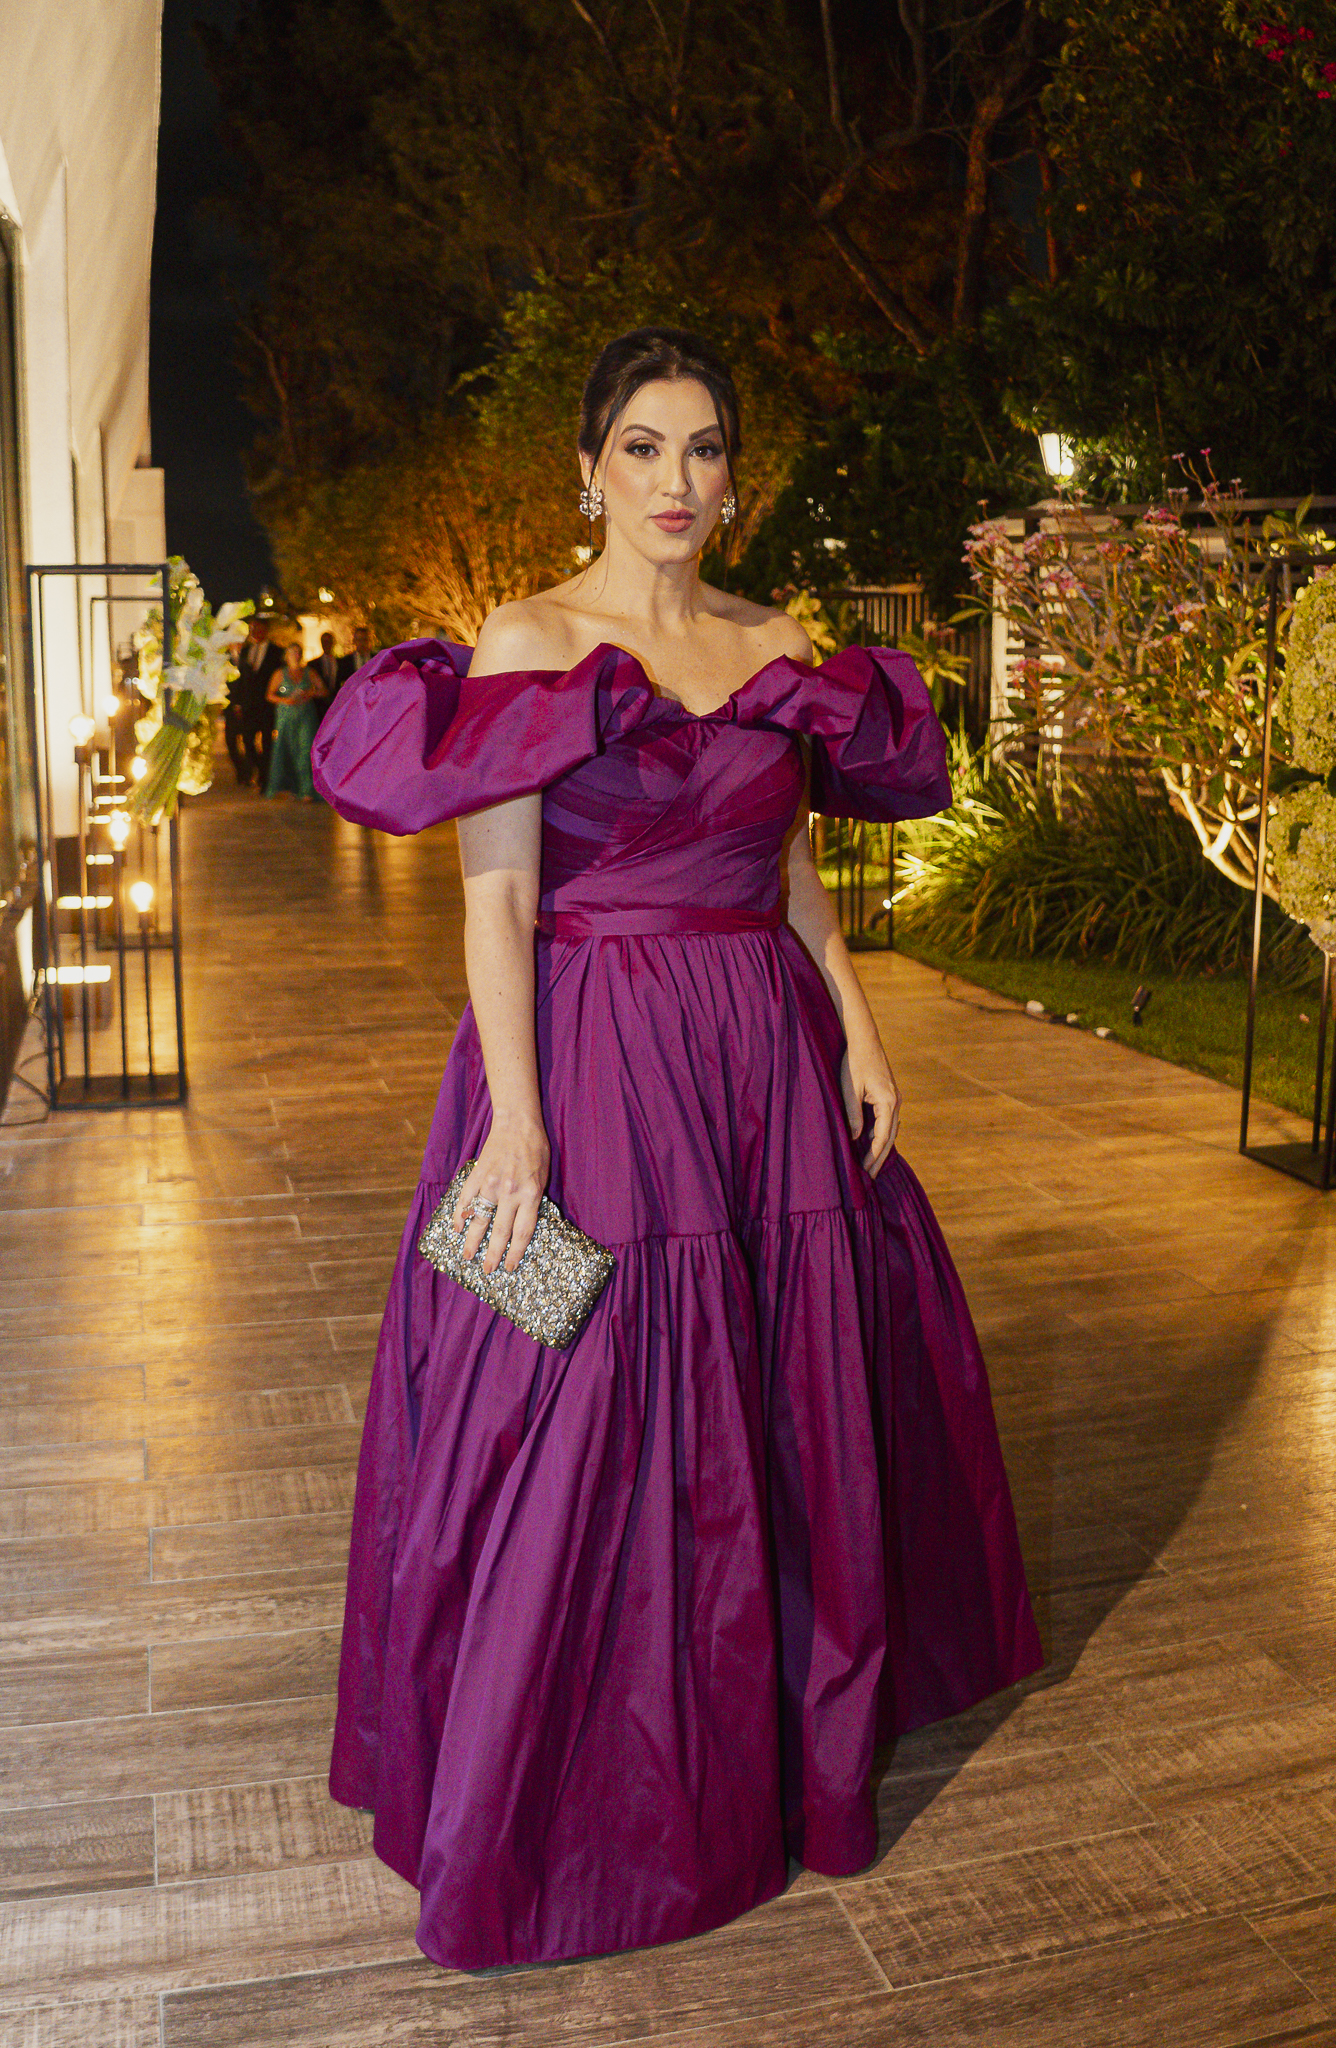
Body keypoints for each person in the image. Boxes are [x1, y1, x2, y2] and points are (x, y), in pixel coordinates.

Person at [312, 327, 1042, 1974]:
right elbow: (497, 897)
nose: (675, 479)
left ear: (732, 476)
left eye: (703, 448)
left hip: (762, 1061)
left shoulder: (775, 640)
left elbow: (790, 872)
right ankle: (569, 1806)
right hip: (590, 1057)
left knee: (777, 1402)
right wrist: (518, 1118)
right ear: (588, 468)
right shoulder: (530, 638)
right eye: (642, 447)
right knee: (570, 1409)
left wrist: (857, 1024)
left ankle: (769, 1748)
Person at [228, 617, 284, 789]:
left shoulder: (276, 651)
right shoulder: (245, 651)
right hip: (248, 704)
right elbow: (240, 679)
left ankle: (265, 779)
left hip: (267, 705)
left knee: (267, 742)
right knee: (247, 741)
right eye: (252, 629)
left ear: (265, 630)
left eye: (257, 629)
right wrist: (238, 702)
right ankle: (258, 768)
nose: (254, 632)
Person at [265, 641, 323, 799]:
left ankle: (307, 789)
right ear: (286, 655)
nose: (295, 655)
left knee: (305, 749)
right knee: (285, 749)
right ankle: (285, 786)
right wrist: (286, 700)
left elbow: (323, 690)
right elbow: (269, 695)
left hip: (305, 715)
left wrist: (310, 693)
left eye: (298, 652)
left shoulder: (309, 672)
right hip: (286, 716)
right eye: (292, 652)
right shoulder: (280, 673)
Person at [308, 630, 343, 715]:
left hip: (337, 703)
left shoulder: (342, 663)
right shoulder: (312, 664)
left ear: (333, 643)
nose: (326, 644)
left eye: (328, 641)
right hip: (319, 706)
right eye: (324, 641)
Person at [334, 623, 372, 687]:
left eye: (364, 640)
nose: (362, 643)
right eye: (359, 640)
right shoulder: (345, 662)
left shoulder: (377, 659)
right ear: (354, 641)